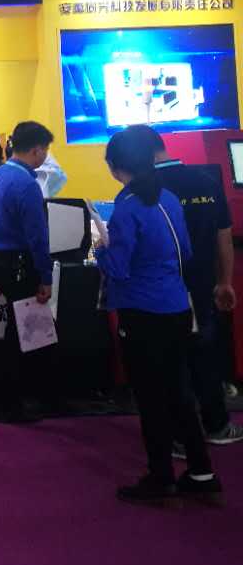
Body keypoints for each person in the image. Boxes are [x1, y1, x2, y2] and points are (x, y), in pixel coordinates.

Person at [94, 128, 222, 506]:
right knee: (180, 391)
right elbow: (186, 251)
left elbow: (118, 268)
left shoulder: (127, 207)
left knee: (150, 398)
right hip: (176, 305)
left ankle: (161, 475)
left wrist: (101, 250)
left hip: (142, 311)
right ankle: (201, 471)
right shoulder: (168, 199)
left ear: (115, 167)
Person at [125, 125, 241, 448]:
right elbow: (223, 238)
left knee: (168, 363)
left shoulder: (144, 190)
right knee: (204, 356)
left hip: (160, 291)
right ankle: (217, 425)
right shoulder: (207, 182)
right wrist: (224, 282)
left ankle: (177, 437)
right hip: (202, 285)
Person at [0, 120, 57, 424]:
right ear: (36, 150)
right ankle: (11, 404)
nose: (45, 156)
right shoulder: (27, 185)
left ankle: (27, 399)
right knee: (23, 333)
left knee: (22, 329)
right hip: (21, 263)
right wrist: (45, 276)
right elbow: (38, 236)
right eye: (45, 150)